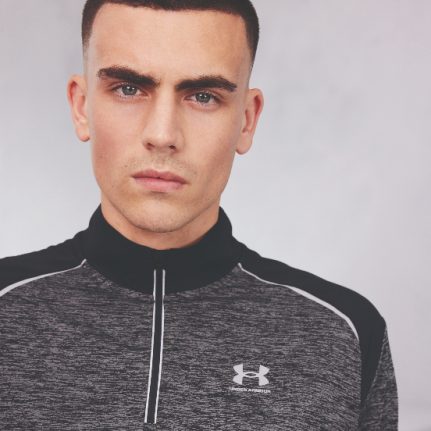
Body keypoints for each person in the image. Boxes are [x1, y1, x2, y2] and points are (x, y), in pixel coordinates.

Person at [0, 0, 398, 429]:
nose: (162, 135)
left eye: (203, 96)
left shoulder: (344, 331)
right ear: (82, 107)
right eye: (128, 89)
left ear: (247, 120)